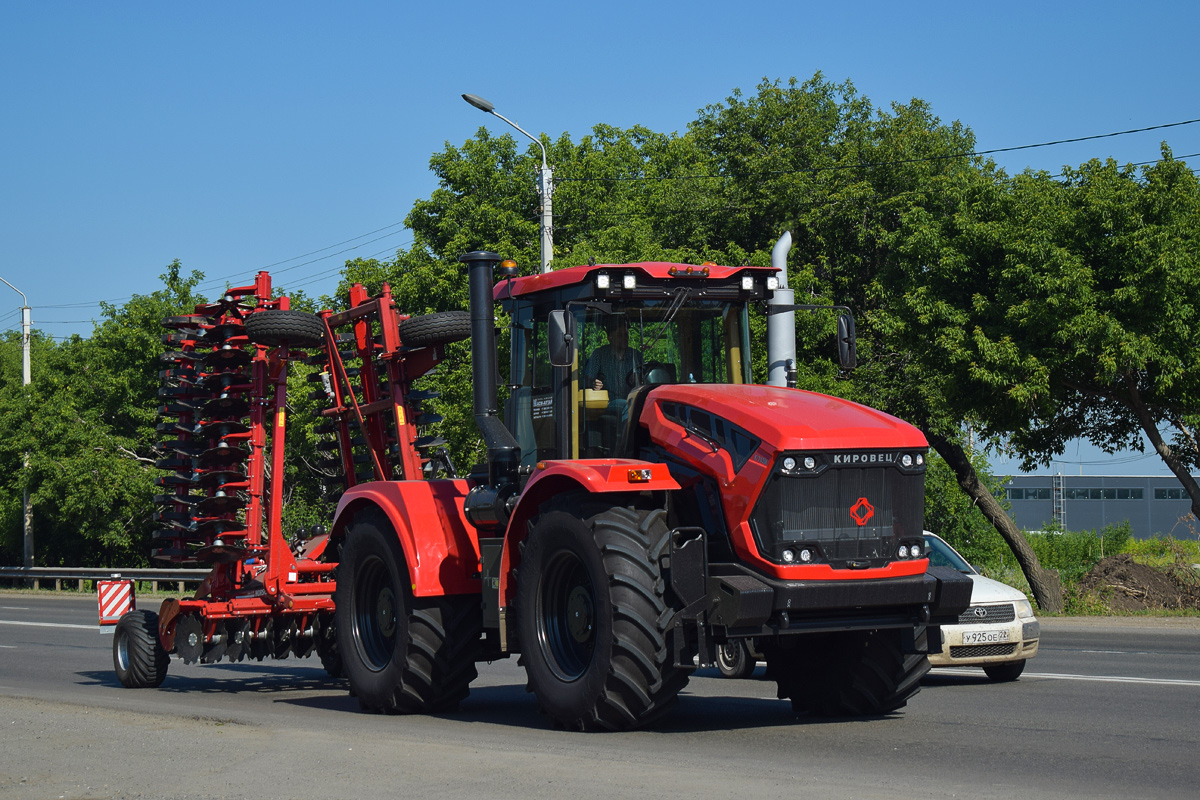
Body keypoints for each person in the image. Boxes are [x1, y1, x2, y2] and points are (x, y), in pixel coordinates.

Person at [581, 315, 642, 420]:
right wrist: (593, 383)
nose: (625, 338)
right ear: (610, 337)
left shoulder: (636, 355)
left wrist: (638, 379)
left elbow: (645, 379)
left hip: (633, 399)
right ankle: (628, 436)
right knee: (626, 405)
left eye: (626, 334)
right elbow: (586, 379)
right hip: (609, 402)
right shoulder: (599, 355)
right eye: (620, 335)